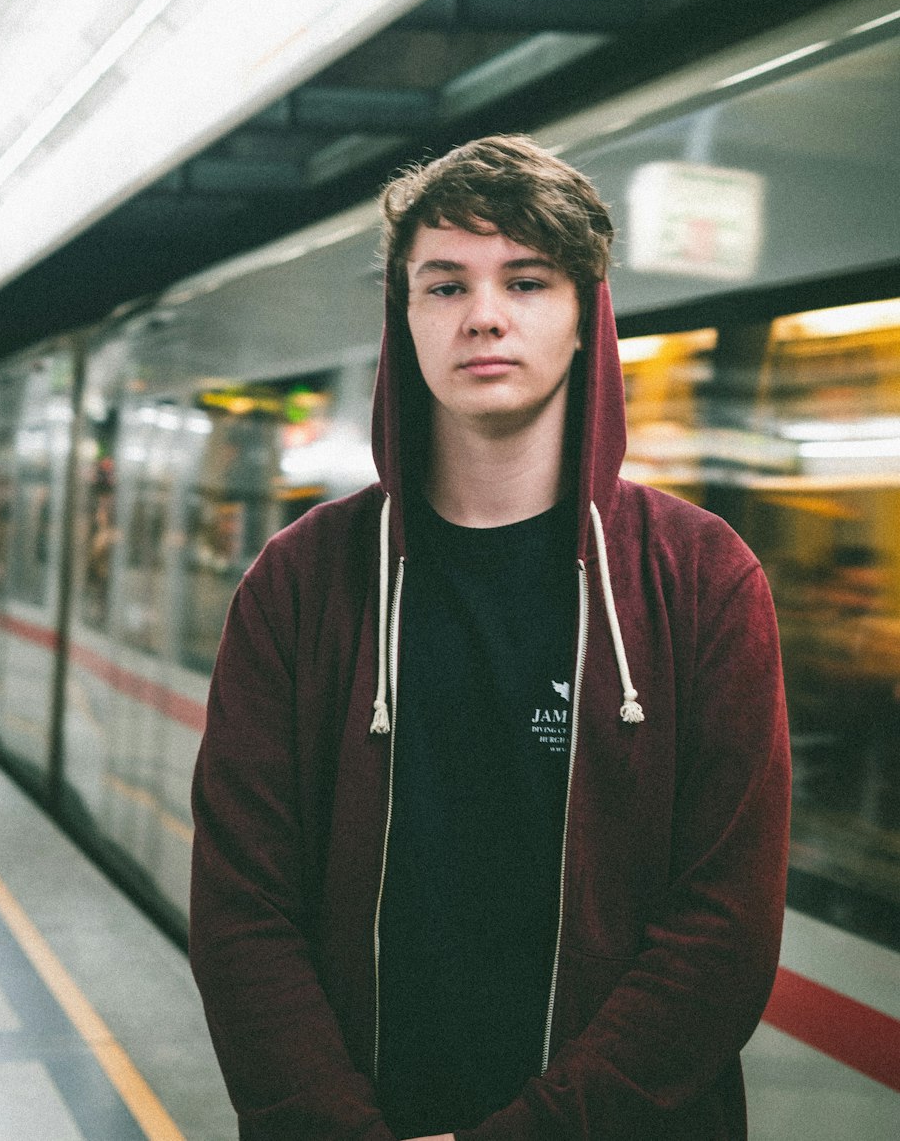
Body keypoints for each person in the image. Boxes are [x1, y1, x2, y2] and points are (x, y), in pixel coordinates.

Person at [189, 135, 791, 1140]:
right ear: (404, 318)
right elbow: (243, 910)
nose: (483, 315)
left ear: (582, 317)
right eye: (443, 285)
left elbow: (722, 933)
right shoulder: (299, 583)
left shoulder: (699, 579)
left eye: (526, 279)